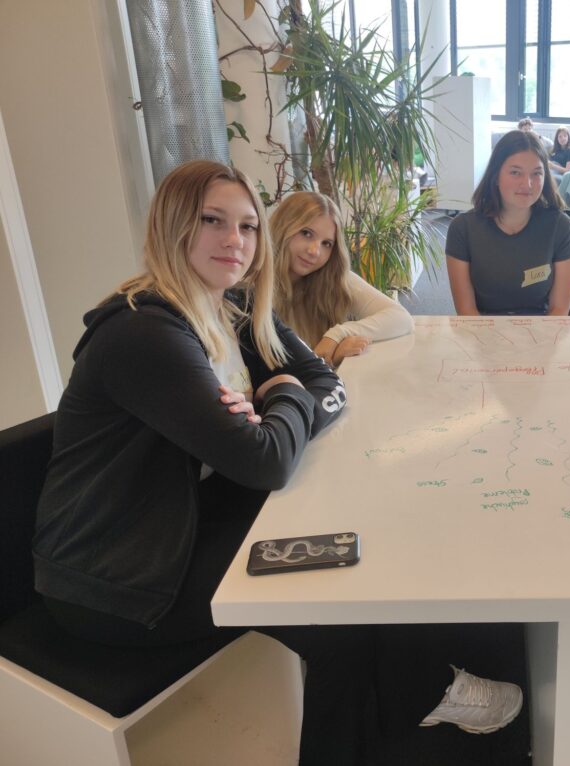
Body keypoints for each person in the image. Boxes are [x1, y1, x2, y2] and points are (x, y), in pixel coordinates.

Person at [31, 160, 371, 764]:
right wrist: (284, 395)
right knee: (333, 609)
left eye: (247, 226)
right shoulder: (144, 331)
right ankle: (424, 690)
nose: (234, 240)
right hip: (116, 576)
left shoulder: (231, 305)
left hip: (182, 522)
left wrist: (278, 404)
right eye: (212, 220)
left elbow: (328, 382)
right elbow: (266, 461)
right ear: (173, 226)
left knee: (347, 545)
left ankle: (415, 689)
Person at [270, 191, 412, 366]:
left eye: (326, 244)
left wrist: (337, 335)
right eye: (306, 233)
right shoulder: (251, 289)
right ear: (282, 228)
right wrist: (329, 358)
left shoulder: (332, 277)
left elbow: (401, 318)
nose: (315, 251)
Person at [447, 129, 570, 315]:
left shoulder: (560, 226)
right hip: (482, 329)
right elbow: (467, 311)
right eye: (515, 172)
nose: (527, 184)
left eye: (536, 173)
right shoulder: (463, 229)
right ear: (495, 177)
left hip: (542, 330)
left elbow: (559, 310)